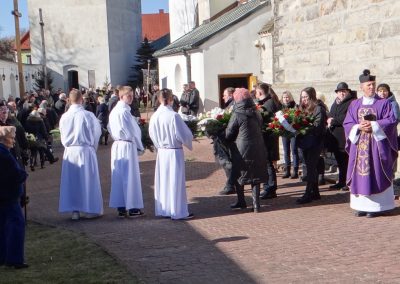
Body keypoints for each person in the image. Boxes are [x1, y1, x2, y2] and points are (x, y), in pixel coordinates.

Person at [343, 69, 398, 218]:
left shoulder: (384, 103)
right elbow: (347, 123)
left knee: (377, 172)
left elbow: (391, 121)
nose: (372, 88)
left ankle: (377, 208)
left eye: (373, 84)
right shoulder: (354, 104)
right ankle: (361, 206)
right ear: (361, 87)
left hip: (376, 147)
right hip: (360, 145)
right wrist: (358, 127)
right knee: (359, 174)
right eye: (368, 85)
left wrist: (374, 125)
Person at [149, 88, 194, 220]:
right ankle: (177, 210)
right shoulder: (173, 116)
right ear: (171, 99)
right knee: (175, 181)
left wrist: (159, 146)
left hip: (162, 152)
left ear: (158, 99)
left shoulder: (155, 116)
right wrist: (188, 140)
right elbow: (184, 135)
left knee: (164, 181)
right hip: (174, 152)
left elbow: (152, 134)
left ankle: (165, 209)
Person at [58, 89, 103, 220]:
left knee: (73, 182)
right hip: (85, 150)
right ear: (81, 99)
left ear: (69, 100)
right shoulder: (88, 115)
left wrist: (67, 146)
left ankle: (75, 211)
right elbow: (96, 132)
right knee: (88, 180)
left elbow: (62, 135)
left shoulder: (64, 117)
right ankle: (90, 209)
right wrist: (93, 147)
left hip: (70, 151)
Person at [225, 88, 268, 212]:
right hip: (258, 146)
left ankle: (241, 201)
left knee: (240, 174)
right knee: (256, 175)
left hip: (241, 148)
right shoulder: (256, 112)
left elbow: (229, 133)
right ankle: (256, 205)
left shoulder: (237, 113)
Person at [108, 86, 145, 218]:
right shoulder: (123, 112)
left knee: (119, 176)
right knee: (130, 176)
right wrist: (140, 146)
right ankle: (132, 207)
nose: (131, 98)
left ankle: (122, 207)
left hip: (118, 145)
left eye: (132, 95)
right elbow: (134, 131)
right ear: (121, 96)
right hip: (127, 145)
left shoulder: (114, 111)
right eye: (128, 96)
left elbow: (109, 127)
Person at [0, 126, 29, 269]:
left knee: (3, 227)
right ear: (5, 139)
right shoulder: (4, 154)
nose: (13, 141)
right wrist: (23, 175)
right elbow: (15, 174)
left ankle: (3, 257)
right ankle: (14, 259)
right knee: (16, 226)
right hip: (9, 195)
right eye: (11, 138)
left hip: (4, 196)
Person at [296, 87, 327, 204]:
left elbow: (317, 127)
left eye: (306, 97)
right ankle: (316, 193)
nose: (303, 100)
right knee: (309, 167)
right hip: (304, 142)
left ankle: (308, 193)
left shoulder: (318, 108)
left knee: (310, 168)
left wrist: (303, 127)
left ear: (311, 97)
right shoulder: (301, 108)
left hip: (315, 142)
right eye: (302, 97)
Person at [326, 82, 357, 190]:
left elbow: (346, 118)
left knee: (347, 161)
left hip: (345, 136)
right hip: (335, 138)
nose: (342, 93)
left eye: (344, 91)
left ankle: (349, 183)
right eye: (340, 92)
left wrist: (333, 120)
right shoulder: (336, 102)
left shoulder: (352, 102)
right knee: (340, 162)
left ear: (348, 92)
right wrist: (330, 118)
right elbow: (330, 114)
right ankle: (342, 181)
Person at [255, 83, 281, 200]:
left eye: (256, 92)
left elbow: (266, 121)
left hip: (268, 138)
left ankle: (270, 188)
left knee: (268, 163)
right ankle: (268, 187)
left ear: (260, 92)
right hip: (267, 137)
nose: (255, 94)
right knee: (266, 163)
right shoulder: (266, 102)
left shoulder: (268, 104)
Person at [218, 87, 236, 195]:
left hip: (230, 139)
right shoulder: (230, 105)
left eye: (224, 95)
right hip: (228, 138)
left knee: (228, 163)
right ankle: (231, 183)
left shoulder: (233, 105)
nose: (223, 97)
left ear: (230, 95)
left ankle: (231, 184)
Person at [280, 91, 299, 179]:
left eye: (287, 97)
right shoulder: (280, 107)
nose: (286, 99)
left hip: (293, 131)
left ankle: (295, 171)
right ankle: (287, 170)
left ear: (290, 98)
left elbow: (298, 117)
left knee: (294, 150)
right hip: (284, 132)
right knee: (286, 151)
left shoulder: (295, 106)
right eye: (284, 97)